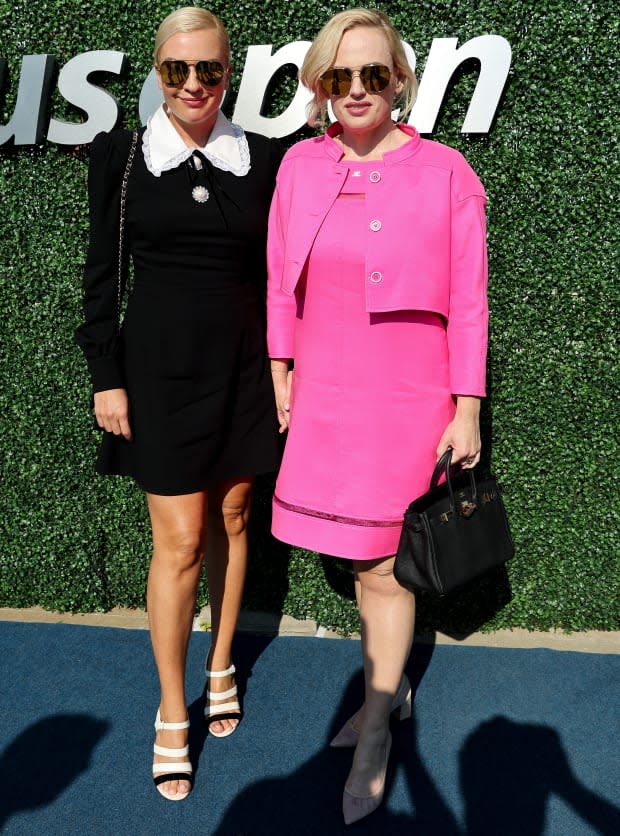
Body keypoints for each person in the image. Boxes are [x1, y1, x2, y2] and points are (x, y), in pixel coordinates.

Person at [267, 8, 488, 825]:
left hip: (411, 396)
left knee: (387, 568)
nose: (356, 90)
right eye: (339, 77)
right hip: (327, 390)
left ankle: (374, 732)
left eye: (373, 74)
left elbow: (470, 299)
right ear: (321, 86)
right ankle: (382, 698)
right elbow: (275, 280)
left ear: (398, 79)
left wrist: (468, 407)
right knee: (359, 562)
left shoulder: (447, 172)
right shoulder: (298, 167)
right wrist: (281, 370)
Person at [76, 7, 281, 801]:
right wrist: (105, 373)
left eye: (210, 70)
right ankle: (171, 706)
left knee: (234, 519)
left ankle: (222, 659)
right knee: (181, 541)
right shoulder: (122, 156)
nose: (194, 84)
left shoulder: (261, 157)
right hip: (157, 374)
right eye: (177, 70)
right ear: (156, 74)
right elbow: (102, 274)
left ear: (229, 73)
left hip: (243, 372)